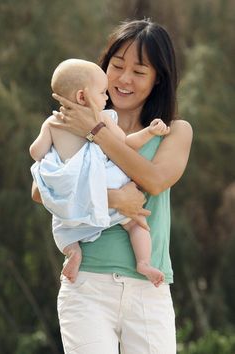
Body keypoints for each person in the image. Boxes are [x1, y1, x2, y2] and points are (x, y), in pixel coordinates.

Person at [32, 19, 193, 354]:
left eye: (139, 71)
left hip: (149, 286)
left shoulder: (174, 130)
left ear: (158, 78)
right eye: (117, 66)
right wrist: (114, 198)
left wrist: (97, 131)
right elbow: (42, 190)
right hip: (86, 285)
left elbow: (153, 180)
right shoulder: (73, 122)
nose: (124, 79)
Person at [30, 58, 169, 285]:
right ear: (83, 97)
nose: (106, 97)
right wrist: (150, 133)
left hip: (73, 203)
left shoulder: (52, 123)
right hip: (105, 182)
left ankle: (73, 252)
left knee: (61, 230)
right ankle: (144, 262)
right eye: (103, 92)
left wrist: (54, 150)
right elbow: (126, 143)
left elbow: (36, 152)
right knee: (135, 223)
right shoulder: (103, 118)